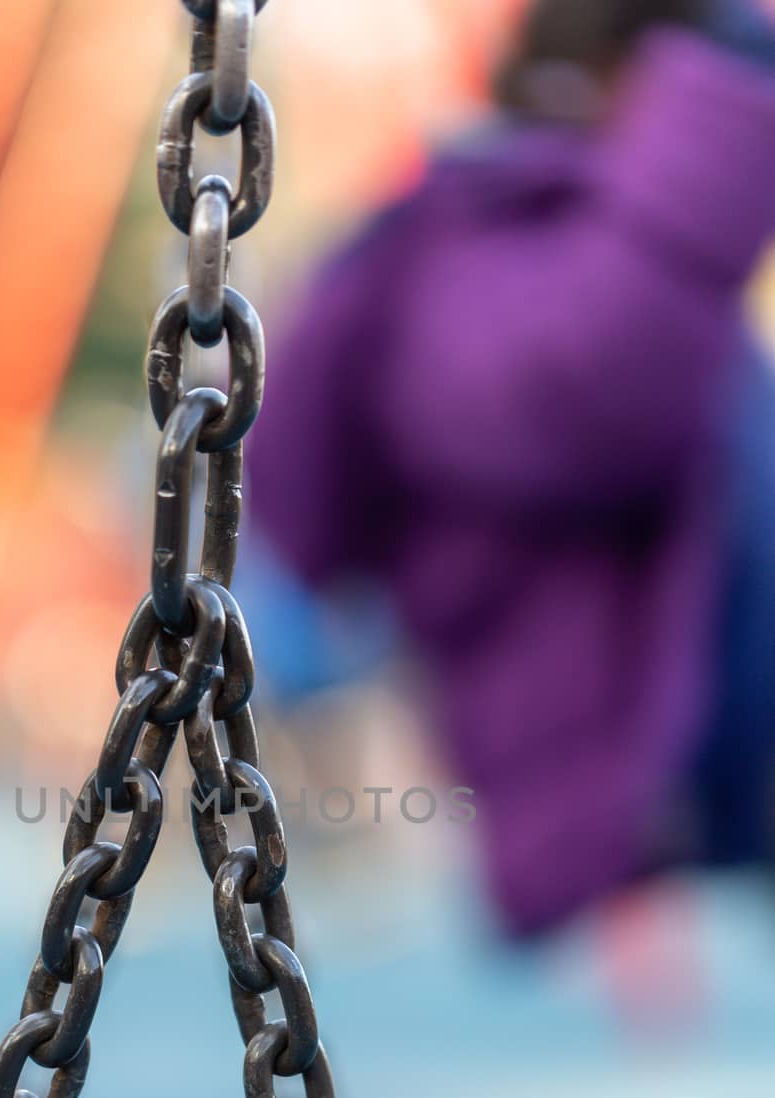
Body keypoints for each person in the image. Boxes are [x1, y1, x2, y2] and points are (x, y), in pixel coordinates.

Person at [248, 0, 775, 939]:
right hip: (620, 754)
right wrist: (735, 88)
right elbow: (583, 390)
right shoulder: (496, 247)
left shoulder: (590, 245)